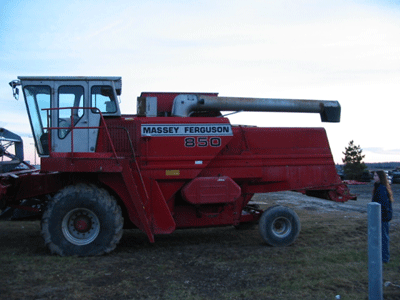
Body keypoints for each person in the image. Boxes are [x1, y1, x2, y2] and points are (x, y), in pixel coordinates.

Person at [372, 170, 394, 263]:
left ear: (380, 177)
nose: (374, 177)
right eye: (374, 175)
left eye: (376, 175)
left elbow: (383, 205)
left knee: (384, 238)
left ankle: (385, 258)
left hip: (383, 217)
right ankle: (382, 256)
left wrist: (378, 215)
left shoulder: (381, 188)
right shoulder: (379, 187)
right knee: (382, 237)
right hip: (381, 217)